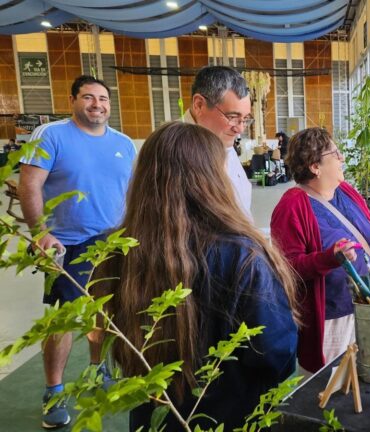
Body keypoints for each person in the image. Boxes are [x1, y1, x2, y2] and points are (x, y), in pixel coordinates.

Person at [94, 122, 299, 431]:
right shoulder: (242, 255)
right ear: (210, 178)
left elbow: (119, 343)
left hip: (157, 417)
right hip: (235, 417)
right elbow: (275, 352)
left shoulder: (117, 250)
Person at [18, 75, 136, 429]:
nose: (97, 104)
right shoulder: (51, 135)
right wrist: (41, 234)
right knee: (64, 319)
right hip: (67, 243)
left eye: (103, 98)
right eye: (88, 97)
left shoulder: (124, 143)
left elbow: (131, 193)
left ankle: (98, 368)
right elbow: (30, 184)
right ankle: (53, 391)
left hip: (114, 240)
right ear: (73, 100)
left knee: (109, 310)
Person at [271, 127, 370, 374]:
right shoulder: (292, 207)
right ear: (315, 166)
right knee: (333, 390)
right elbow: (288, 269)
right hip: (334, 321)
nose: (342, 158)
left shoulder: (345, 191)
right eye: (335, 154)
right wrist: (329, 258)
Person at [182, 66, 254, 220]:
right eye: (232, 116)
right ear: (199, 105)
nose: (240, 129)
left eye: (245, 119)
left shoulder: (222, 142)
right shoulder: (171, 151)